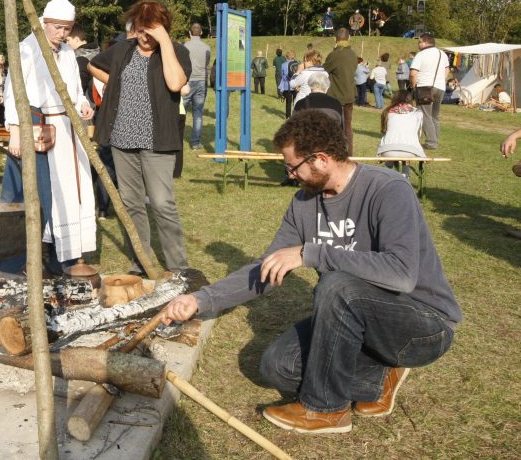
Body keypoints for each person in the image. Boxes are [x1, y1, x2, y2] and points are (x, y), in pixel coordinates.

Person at [160, 110, 462, 435]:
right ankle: (380, 375)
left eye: (293, 166)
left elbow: (401, 274)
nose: (290, 175)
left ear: (320, 159)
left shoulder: (388, 189)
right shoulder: (304, 204)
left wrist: (313, 253)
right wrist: (200, 300)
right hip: (355, 319)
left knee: (337, 285)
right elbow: (268, 267)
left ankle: (326, 409)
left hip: (422, 326)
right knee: (277, 366)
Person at [89, 0, 192, 273]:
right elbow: (92, 65)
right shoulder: (124, 49)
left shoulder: (178, 53)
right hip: (122, 140)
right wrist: (115, 84)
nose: (144, 38)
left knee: (161, 203)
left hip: (158, 141)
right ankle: (141, 261)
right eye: (140, 30)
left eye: (151, 31)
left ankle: (178, 266)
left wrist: (165, 42)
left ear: (163, 29)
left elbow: (174, 83)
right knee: (132, 204)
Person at [1, 0, 96, 274]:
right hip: (36, 126)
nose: (62, 34)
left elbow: (75, 90)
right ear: (43, 23)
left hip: (66, 130)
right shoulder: (27, 50)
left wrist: (83, 104)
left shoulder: (66, 52)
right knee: (35, 193)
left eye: (67, 29)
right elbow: (12, 92)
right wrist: (16, 132)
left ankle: (62, 258)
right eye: (57, 28)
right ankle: (17, 258)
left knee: (68, 193)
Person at [409, 33, 450, 150]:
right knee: (435, 116)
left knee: (425, 115)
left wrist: (413, 86)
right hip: (440, 87)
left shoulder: (421, 54)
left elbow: (413, 73)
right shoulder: (443, 54)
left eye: (419, 42)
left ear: (426, 42)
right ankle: (435, 138)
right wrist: (441, 80)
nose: (418, 44)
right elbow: (447, 70)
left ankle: (431, 143)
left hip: (424, 87)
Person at [323, 27, 358, 155]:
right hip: (349, 95)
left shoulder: (335, 54)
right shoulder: (353, 54)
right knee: (347, 127)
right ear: (349, 38)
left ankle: (334, 154)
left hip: (335, 97)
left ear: (335, 39)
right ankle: (349, 155)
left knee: (333, 127)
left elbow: (324, 70)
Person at [377, 89, 424, 179]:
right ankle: (405, 177)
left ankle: (388, 170)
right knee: (406, 147)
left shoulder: (387, 112)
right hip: (410, 150)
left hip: (388, 150)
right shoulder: (418, 113)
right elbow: (418, 134)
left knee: (393, 144)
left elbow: (384, 130)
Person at [183, 23, 210, 150]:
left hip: (187, 82)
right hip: (201, 82)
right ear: (201, 33)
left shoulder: (185, 46)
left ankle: (175, 139)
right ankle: (195, 143)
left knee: (180, 112)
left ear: (189, 33)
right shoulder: (207, 48)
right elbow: (207, 63)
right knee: (198, 113)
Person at [278, 51, 299, 117]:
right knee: (296, 101)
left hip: (287, 86)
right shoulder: (297, 63)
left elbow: (281, 75)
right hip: (296, 85)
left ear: (286, 57)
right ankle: (296, 115)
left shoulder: (283, 65)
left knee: (288, 102)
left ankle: (288, 116)